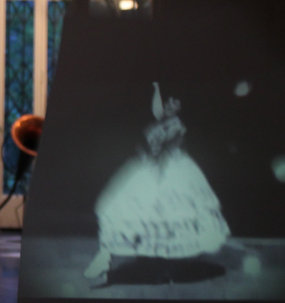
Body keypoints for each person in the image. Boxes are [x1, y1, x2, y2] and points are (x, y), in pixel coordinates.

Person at [83, 83, 231, 282]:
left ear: (180, 108)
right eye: (168, 101)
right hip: (151, 168)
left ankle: (162, 265)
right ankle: (105, 256)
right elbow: (151, 139)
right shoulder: (159, 124)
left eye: (175, 103)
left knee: (167, 217)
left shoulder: (176, 126)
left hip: (172, 171)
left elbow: (159, 147)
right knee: (120, 210)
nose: (169, 105)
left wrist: (150, 152)